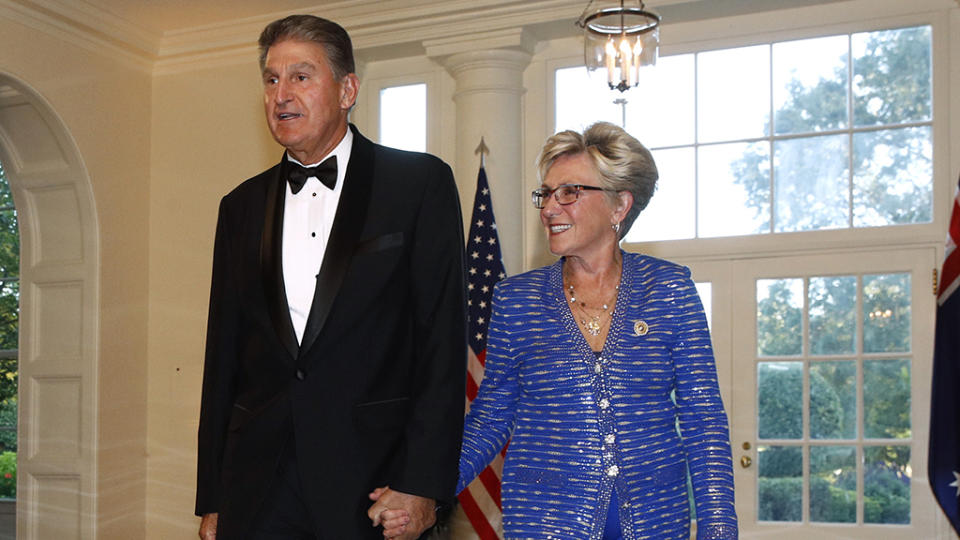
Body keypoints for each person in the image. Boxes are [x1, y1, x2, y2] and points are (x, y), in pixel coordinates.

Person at [382, 122, 737, 539]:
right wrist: (425, 490)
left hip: (655, 520)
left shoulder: (669, 289)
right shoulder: (517, 300)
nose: (550, 207)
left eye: (569, 192)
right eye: (546, 194)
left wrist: (718, 530)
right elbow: (492, 417)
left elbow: (704, 420)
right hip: (544, 521)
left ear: (619, 205)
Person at [194, 14, 467, 540]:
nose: (281, 95)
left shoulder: (419, 185)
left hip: (374, 486)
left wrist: (424, 483)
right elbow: (222, 355)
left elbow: (441, 347)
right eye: (271, 79)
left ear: (347, 90)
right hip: (258, 487)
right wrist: (213, 495)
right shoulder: (240, 206)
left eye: (301, 76)